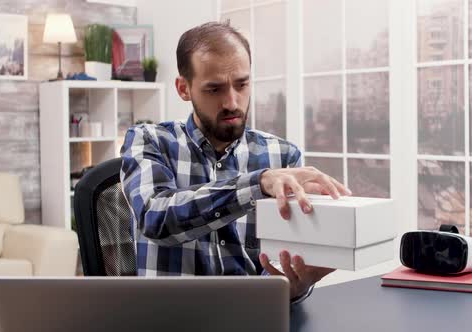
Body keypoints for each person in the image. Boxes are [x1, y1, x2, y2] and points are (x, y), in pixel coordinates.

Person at [120, 21, 351, 304]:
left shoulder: (284, 156)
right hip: (173, 319)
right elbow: (154, 218)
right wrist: (257, 184)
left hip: (252, 317)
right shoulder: (149, 140)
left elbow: (280, 270)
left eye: (241, 84)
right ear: (184, 88)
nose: (232, 101)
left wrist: (294, 286)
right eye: (214, 89)